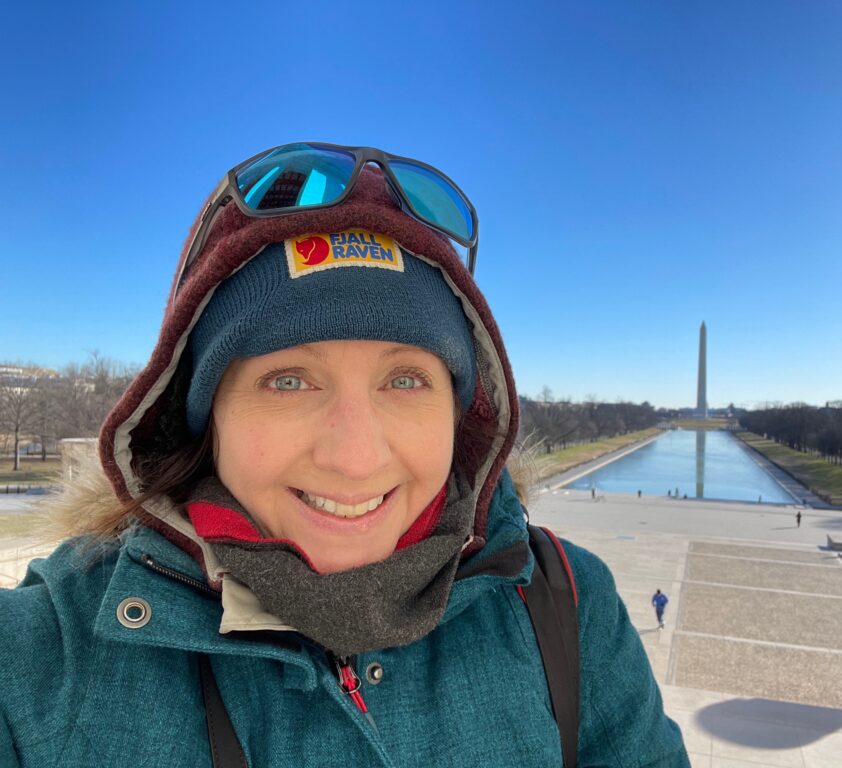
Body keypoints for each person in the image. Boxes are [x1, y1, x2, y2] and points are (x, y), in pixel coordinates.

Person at [0, 144, 688, 766]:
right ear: (206, 417)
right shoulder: (43, 655)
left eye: (405, 380)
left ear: (460, 415)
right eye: (289, 380)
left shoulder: (568, 603)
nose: (356, 458)